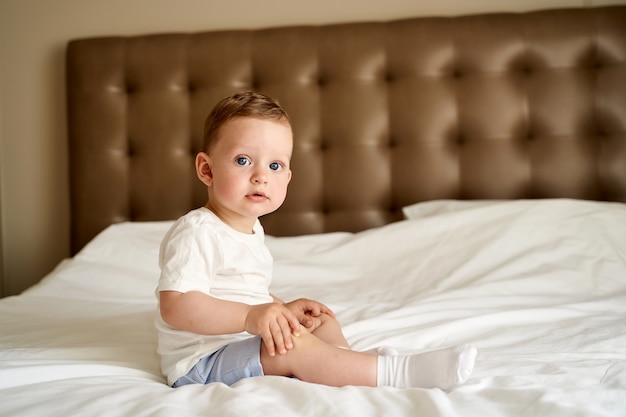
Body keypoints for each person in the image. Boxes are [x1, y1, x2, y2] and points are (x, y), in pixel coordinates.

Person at [155, 91, 477, 389]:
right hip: (202, 362)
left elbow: (243, 290)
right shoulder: (197, 231)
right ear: (207, 169)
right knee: (295, 345)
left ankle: (350, 364)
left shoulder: (250, 230)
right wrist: (251, 316)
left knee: (316, 323)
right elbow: (177, 305)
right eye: (243, 160)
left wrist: (280, 308)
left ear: (288, 178)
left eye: (275, 165)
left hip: (239, 342)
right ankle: (394, 373)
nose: (261, 176)